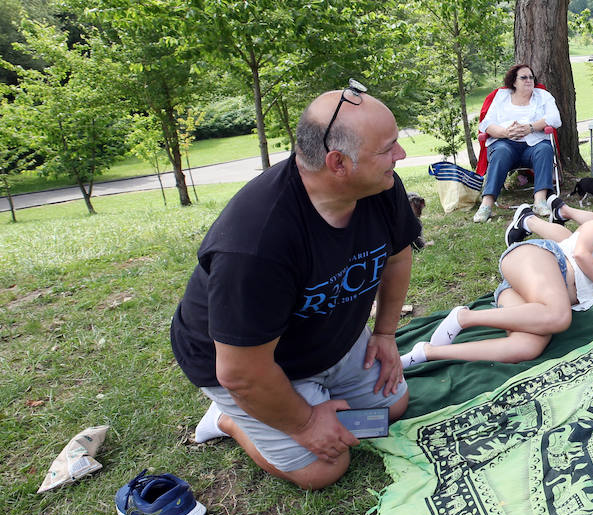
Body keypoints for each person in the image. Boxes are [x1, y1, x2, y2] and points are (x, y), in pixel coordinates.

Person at [172, 83, 420, 490]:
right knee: (324, 469)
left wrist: (386, 334)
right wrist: (306, 424)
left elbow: (397, 255)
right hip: (254, 367)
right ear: (338, 163)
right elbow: (241, 372)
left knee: (390, 410)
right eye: (388, 148)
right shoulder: (255, 243)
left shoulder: (380, 186)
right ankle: (228, 419)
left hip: (325, 338)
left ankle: (314, 396)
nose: (401, 155)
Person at [402, 202, 593, 366]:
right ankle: (464, 317)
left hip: (521, 292)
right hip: (541, 258)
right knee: (559, 316)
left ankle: (428, 353)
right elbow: (580, 254)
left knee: (528, 346)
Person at [474, 63, 563, 223]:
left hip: (534, 143)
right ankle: (486, 204)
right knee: (500, 151)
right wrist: (505, 132)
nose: (529, 80)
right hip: (505, 143)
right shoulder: (501, 96)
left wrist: (530, 128)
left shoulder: (543, 96)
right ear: (513, 81)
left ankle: (540, 201)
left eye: (531, 77)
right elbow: (486, 124)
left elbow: (555, 119)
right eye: (523, 77)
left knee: (545, 149)